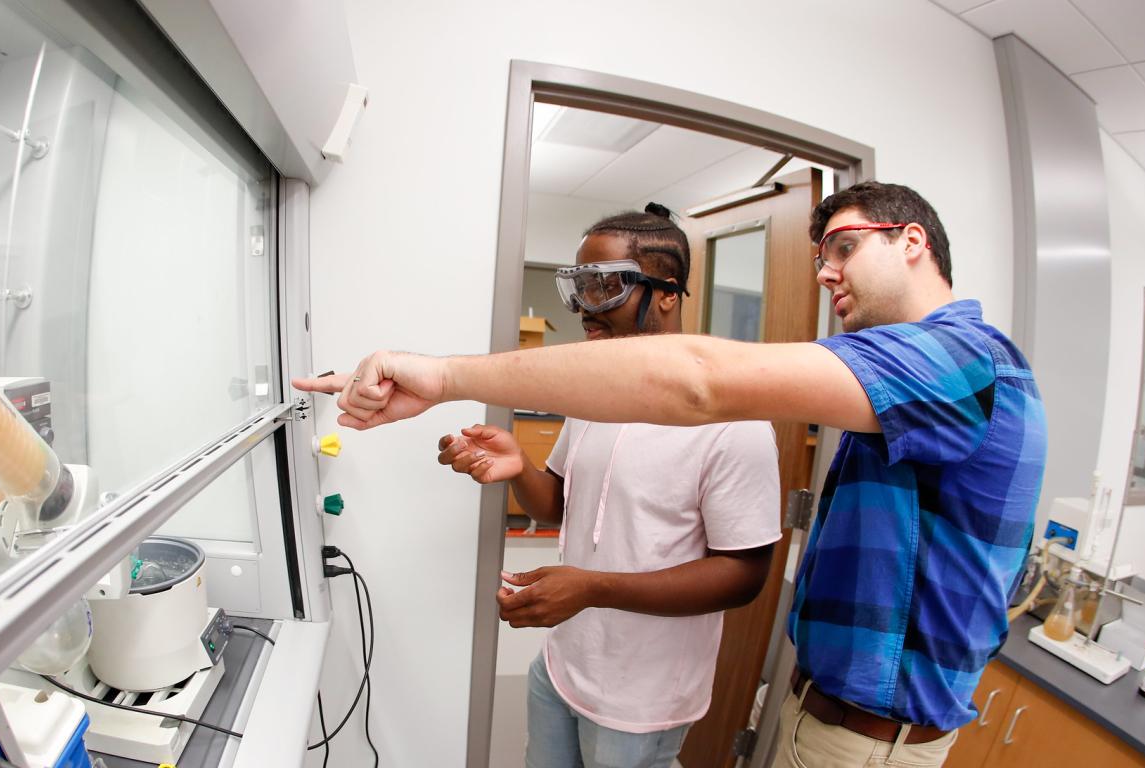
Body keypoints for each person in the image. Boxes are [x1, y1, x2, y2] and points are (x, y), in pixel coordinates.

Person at [294, 181, 1048, 767]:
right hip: (620, 675)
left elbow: (700, 396)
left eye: (843, 247)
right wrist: (520, 462)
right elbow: (566, 494)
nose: (825, 272)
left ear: (912, 239)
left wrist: (443, 375)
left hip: (833, 729)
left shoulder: (966, 362)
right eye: (820, 255)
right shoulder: (898, 392)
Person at [436, 205, 780, 767]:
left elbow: (743, 575)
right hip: (563, 665)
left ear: (667, 293)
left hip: (641, 697)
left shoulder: (734, 424)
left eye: (605, 288)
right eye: (577, 288)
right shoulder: (598, 394)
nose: (583, 312)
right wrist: (520, 463)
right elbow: (557, 502)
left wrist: (592, 587)